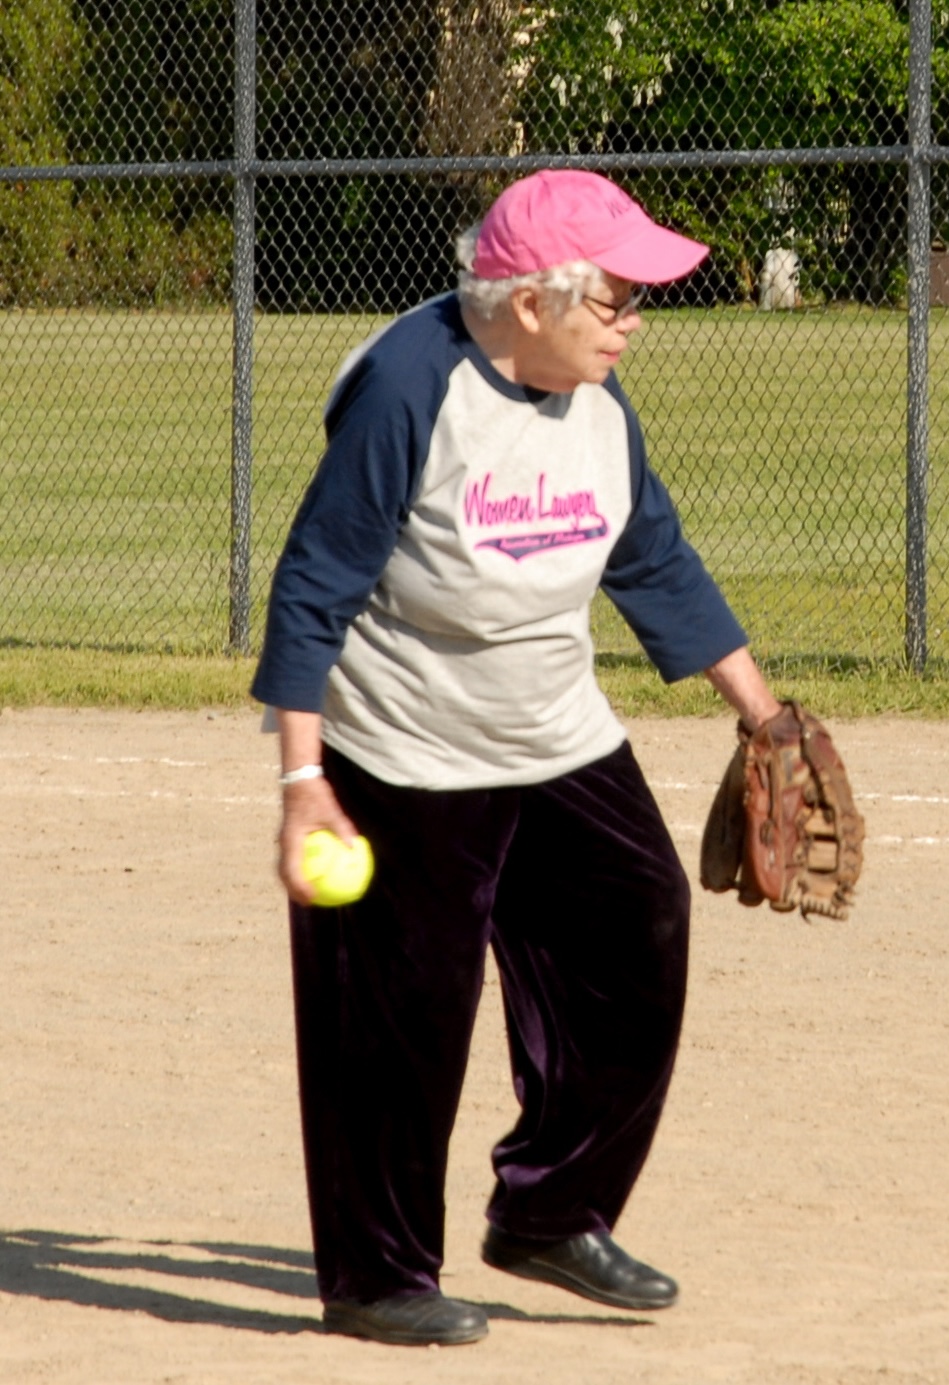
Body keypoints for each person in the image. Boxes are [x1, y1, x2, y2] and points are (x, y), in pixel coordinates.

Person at [250, 168, 783, 1349]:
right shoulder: (408, 386)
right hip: (407, 739)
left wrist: (763, 713)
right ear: (530, 303)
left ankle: (551, 1208)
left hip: (553, 727)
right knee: (405, 1011)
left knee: (636, 933)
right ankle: (376, 1272)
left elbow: (653, 556)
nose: (635, 321)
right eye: (616, 296)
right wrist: (303, 782)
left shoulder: (595, 396)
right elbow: (315, 586)